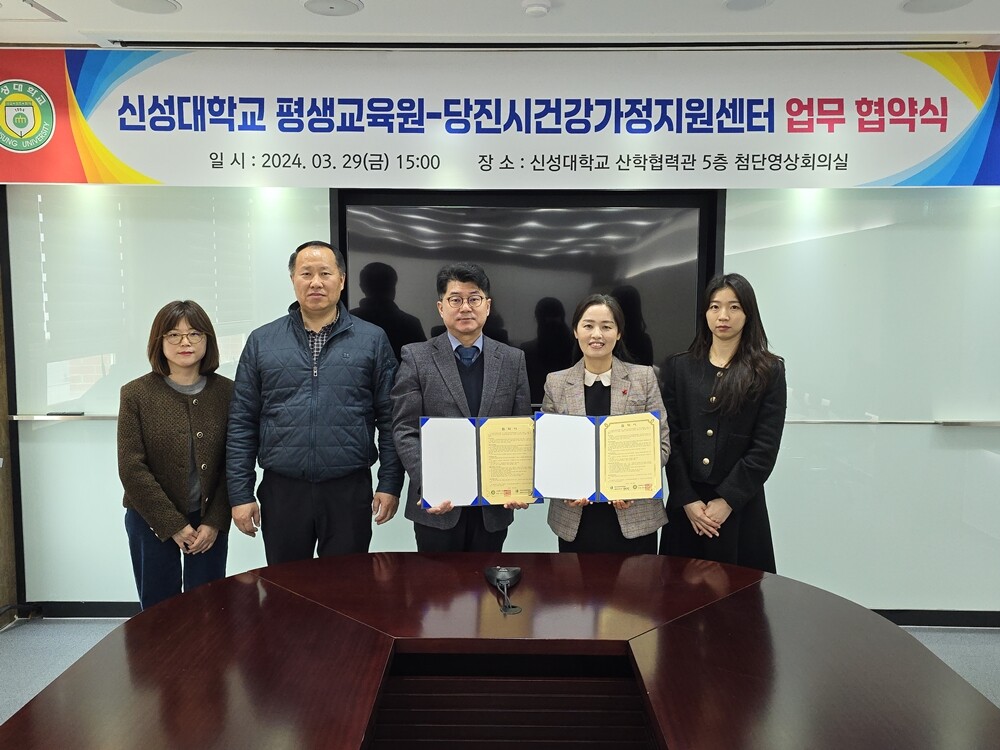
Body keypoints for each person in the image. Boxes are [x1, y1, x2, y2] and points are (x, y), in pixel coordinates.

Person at [227, 240, 402, 565]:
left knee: (344, 585)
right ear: (293, 279)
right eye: (306, 273)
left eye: (325, 273)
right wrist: (240, 493)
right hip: (282, 490)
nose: (316, 282)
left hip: (348, 489)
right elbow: (242, 422)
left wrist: (390, 483)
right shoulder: (262, 341)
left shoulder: (372, 339)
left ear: (342, 280)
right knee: (287, 586)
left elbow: (391, 419)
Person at [391, 262, 531, 552]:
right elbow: (405, 429)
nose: (465, 307)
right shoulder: (416, 357)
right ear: (441, 307)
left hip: (493, 508)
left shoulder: (512, 359)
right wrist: (429, 484)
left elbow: (522, 429)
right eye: (455, 299)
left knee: (488, 580)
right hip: (437, 508)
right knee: (435, 581)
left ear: (487, 306)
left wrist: (520, 483)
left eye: (474, 299)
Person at [659, 273, 786, 573]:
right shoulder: (679, 367)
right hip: (687, 507)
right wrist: (687, 499)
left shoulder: (768, 370)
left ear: (748, 313)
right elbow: (670, 439)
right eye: (715, 307)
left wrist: (727, 500)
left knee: (738, 595)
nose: (723, 316)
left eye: (734, 307)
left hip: (739, 507)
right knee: (677, 592)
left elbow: (765, 447)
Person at [118, 300, 232, 610]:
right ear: (159, 341)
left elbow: (234, 462)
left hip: (207, 519)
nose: (185, 342)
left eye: (194, 333)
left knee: (208, 607)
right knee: (158, 610)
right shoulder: (136, 394)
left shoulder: (227, 392)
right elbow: (131, 468)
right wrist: (173, 525)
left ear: (207, 340)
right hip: (149, 517)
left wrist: (215, 521)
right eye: (173, 335)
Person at [543, 293, 669, 554]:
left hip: (634, 513)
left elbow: (662, 445)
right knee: (576, 582)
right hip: (575, 516)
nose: (597, 334)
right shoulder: (556, 383)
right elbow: (548, 450)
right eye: (588, 326)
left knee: (639, 582)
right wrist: (564, 487)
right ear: (576, 331)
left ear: (619, 333)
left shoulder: (644, 378)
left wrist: (632, 484)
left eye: (606, 326)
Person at [349, 261, 426, 362]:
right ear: (392, 288)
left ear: (362, 287)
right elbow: (424, 363)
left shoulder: (348, 321)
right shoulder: (410, 323)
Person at [520, 296, 575, 405]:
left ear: (537, 319)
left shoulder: (527, 350)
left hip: (535, 411)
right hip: (574, 409)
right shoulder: (577, 347)